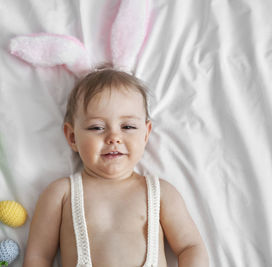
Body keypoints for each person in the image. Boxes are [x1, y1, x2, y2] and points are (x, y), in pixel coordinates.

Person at [23, 65, 209, 267]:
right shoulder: (61, 193)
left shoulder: (160, 192)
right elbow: (38, 256)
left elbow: (190, 246)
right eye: (97, 127)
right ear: (72, 136)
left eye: (127, 127)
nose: (113, 138)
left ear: (145, 134)